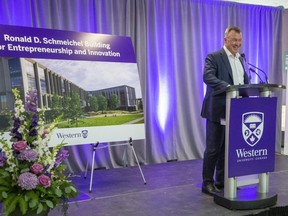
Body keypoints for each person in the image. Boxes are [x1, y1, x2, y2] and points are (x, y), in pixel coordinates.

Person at [200, 26, 249, 196]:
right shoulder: (214, 57)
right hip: (217, 110)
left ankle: (221, 182)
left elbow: (244, 83)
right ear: (225, 40)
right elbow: (208, 77)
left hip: (235, 111)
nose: (237, 43)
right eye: (234, 40)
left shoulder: (241, 59)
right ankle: (207, 183)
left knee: (226, 149)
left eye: (240, 40)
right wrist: (228, 87)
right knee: (214, 148)